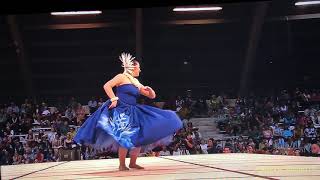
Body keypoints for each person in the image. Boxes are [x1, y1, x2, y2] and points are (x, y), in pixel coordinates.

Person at [74, 53, 182, 171]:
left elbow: (151, 96)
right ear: (133, 67)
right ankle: (122, 164)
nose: (140, 69)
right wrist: (114, 99)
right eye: (138, 67)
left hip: (133, 110)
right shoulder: (121, 77)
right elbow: (107, 86)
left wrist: (150, 91)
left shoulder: (135, 82)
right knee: (125, 137)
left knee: (140, 136)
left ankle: (133, 163)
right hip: (122, 111)